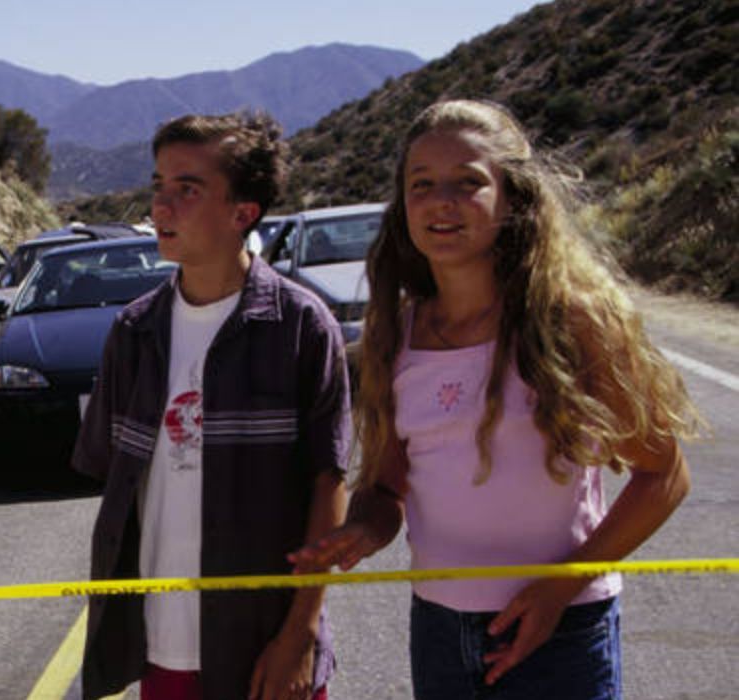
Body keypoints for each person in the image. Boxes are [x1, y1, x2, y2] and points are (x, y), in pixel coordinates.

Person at [290, 99, 703, 699]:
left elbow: (665, 474)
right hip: (438, 627)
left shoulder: (574, 321)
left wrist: (561, 587)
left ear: (513, 198)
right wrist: (360, 531)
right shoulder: (393, 334)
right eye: (422, 185)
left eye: (468, 182)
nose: (441, 202)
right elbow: (386, 488)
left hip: (562, 628)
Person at [73, 113, 350, 700]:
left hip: (265, 647)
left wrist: (299, 634)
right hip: (161, 644)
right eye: (157, 187)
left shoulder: (301, 327)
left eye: (186, 190)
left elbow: (329, 488)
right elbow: (114, 481)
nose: (161, 207)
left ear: (242, 214)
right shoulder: (134, 331)